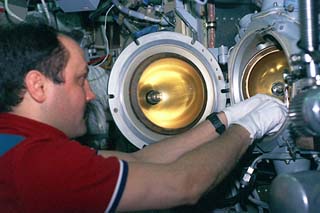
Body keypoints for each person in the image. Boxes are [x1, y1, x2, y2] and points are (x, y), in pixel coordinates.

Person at [0, 23, 287, 213]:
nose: (90, 94)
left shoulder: (18, 144)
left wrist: (223, 119)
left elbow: (140, 160)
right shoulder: (39, 165)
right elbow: (184, 185)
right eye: (80, 80)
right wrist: (248, 127)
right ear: (38, 86)